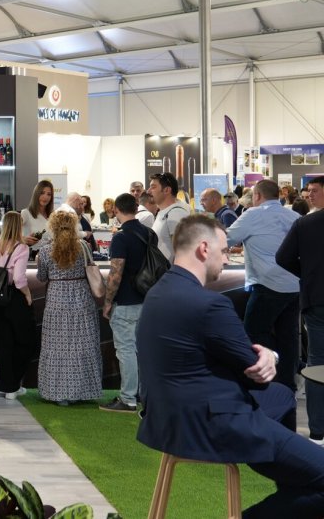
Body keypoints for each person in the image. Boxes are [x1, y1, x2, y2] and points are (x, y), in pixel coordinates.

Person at [138, 215, 324, 518]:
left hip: (166, 420)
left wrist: (264, 358)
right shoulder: (210, 305)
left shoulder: (158, 293)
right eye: (224, 251)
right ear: (203, 249)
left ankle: (289, 477)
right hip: (212, 423)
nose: (227, 259)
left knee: (282, 396)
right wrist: (270, 356)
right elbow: (255, 374)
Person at [226, 179, 300, 390]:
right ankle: (286, 385)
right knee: (288, 336)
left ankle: (263, 383)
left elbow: (226, 239)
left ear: (257, 196)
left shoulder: (253, 214)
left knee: (254, 332)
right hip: (295, 285)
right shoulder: (294, 216)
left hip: (268, 284)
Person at [36, 210, 102, 405]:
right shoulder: (83, 246)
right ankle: (81, 391)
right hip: (81, 299)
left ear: (52, 227)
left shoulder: (45, 251)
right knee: (82, 344)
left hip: (56, 300)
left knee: (56, 346)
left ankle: (59, 393)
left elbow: (41, 277)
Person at [277, 175, 324, 444]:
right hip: (316, 301)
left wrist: (306, 275)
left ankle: (318, 430)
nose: (309, 195)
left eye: (314, 190)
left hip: (316, 298)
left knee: (318, 363)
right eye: (309, 191)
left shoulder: (305, 224)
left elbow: (283, 258)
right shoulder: (304, 222)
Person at [99, 193, 156, 413]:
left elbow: (116, 273)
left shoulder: (121, 237)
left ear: (116, 210)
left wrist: (107, 301)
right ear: (136, 207)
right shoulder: (149, 233)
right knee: (141, 350)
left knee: (126, 350)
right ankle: (142, 394)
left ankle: (128, 398)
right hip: (147, 299)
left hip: (125, 301)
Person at [0, 211, 34, 399]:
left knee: (3, 342)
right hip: (13, 298)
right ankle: (12, 384)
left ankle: (6, 385)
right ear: (19, 226)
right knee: (25, 341)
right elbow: (19, 279)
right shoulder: (21, 248)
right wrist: (27, 294)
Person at [149, 172, 188, 260]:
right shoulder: (164, 212)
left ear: (166, 190)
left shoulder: (176, 213)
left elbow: (184, 250)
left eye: (153, 187)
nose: (148, 191)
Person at [21, 180, 54, 257]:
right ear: (36, 194)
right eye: (42, 193)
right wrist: (22, 239)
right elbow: (9, 232)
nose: (45, 197)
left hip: (51, 258)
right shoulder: (26, 213)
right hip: (33, 257)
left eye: (49, 194)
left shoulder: (53, 215)